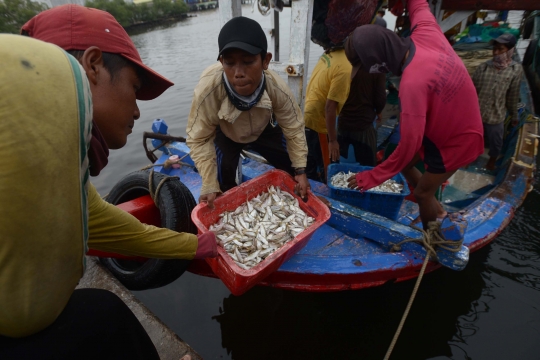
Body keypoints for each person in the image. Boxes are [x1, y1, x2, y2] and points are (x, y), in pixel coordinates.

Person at [0, 6, 214, 359]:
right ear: (93, 66)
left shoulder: (66, 173)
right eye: (134, 87)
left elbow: (115, 228)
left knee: (105, 315)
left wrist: (197, 246)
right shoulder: (33, 93)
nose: (136, 112)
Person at [347, 0, 484, 230]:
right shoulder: (426, 31)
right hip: (456, 120)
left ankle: (434, 236)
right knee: (404, 166)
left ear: (378, 58)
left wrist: (372, 177)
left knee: (422, 193)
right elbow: (419, 4)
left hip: (458, 141)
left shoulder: (412, 84)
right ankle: (438, 211)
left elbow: (409, 144)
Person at [186, 16, 309, 209]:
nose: (238, 72)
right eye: (229, 63)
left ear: (265, 61)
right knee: (221, 183)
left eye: (248, 62)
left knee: (293, 169)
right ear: (221, 62)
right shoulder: (208, 89)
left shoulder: (276, 87)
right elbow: (199, 138)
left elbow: (293, 127)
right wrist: (209, 183)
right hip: (227, 133)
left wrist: (300, 169)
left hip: (263, 129)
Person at [472, 33, 522, 170]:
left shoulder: (515, 70)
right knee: (472, 138)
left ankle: (492, 160)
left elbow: (513, 95)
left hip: (496, 114)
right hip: (478, 112)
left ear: (510, 50)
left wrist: (514, 115)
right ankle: (469, 158)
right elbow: (472, 89)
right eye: (495, 49)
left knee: (496, 141)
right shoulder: (483, 67)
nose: (496, 53)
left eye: (501, 49)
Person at [303, 42, 352, 181]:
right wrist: (333, 140)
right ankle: (326, 195)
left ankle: (312, 187)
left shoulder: (330, 53)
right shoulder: (345, 68)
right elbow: (329, 107)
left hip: (307, 112)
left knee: (310, 164)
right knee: (329, 168)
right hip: (319, 123)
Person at [339, 37, 387, 166]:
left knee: (339, 161)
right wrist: (379, 111)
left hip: (343, 122)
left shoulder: (343, 63)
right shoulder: (377, 67)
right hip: (363, 125)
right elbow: (380, 97)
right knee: (368, 164)